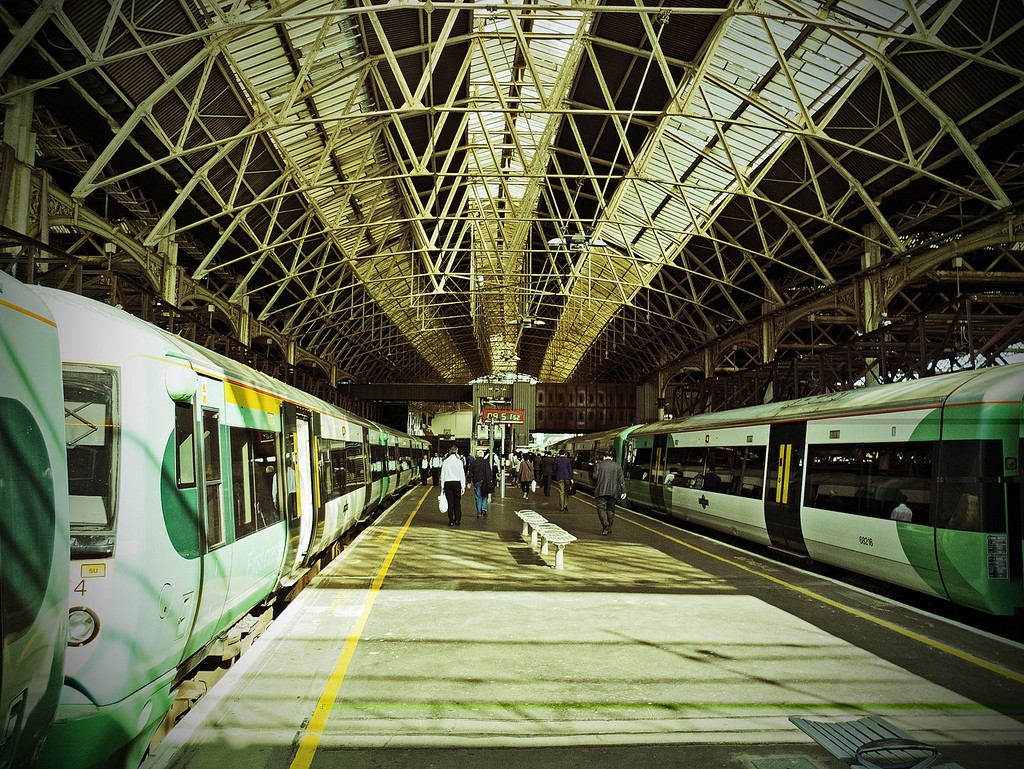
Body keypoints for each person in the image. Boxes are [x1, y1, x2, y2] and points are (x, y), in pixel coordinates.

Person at [592, 451, 625, 535]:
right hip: (613, 491)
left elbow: (594, 477)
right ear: (612, 457)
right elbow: (621, 480)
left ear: (604, 457)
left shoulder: (599, 465)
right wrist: (623, 491)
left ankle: (605, 525)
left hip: (601, 490)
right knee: (611, 509)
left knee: (601, 508)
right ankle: (608, 527)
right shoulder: (618, 466)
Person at [440, 445, 466, 526]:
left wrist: (442, 486)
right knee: (457, 502)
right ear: (456, 452)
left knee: (450, 502)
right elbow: (462, 475)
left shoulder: (445, 462)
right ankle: (457, 520)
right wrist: (463, 486)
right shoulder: (459, 462)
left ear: (449, 452)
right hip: (457, 483)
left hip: (447, 484)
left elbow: (442, 475)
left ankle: (451, 520)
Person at [469, 449, 494, 518]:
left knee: (478, 497)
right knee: (485, 496)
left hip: (477, 482)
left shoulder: (473, 463)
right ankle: (484, 509)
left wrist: (469, 482)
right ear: (482, 455)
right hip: (485, 482)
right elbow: (489, 472)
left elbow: (470, 473)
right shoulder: (486, 462)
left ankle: (479, 512)